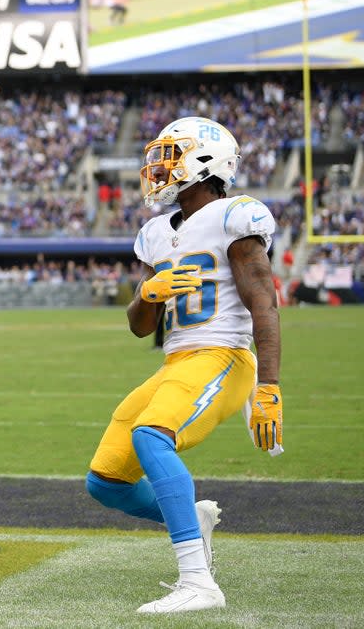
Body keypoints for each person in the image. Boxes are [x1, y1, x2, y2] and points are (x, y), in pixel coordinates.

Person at [85, 116, 283, 614]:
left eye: (170, 155)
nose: (158, 167)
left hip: (224, 357)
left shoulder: (235, 216)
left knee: (152, 436)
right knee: (105, 480)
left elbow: (264, 303)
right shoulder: (155, 233)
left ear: (204, 161)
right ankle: (191, 518)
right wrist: (145, 294)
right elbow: (138, 325)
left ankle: (198, 582)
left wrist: (269, 386)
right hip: (176, 362)